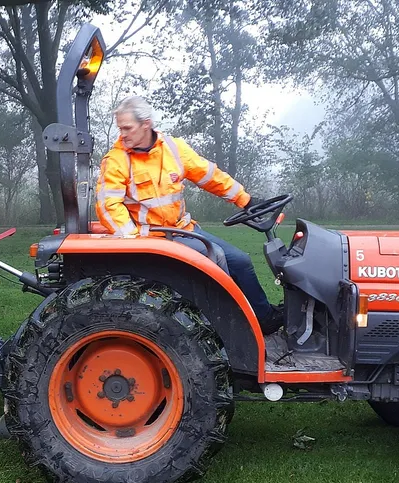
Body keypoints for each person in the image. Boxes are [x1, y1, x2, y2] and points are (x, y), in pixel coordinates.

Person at [95, 96, 283, 335]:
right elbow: (108, 204)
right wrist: (133, 240)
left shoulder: (173, 149)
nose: (122, 134)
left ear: (146, 124)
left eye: (127, 128)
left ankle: (264, 318)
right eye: (120, 128)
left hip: (184, 228)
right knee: (217, 258)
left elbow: (209, 175)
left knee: (242, 262)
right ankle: (228, 327)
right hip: (153, 237)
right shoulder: (117, 160)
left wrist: (245, 200)